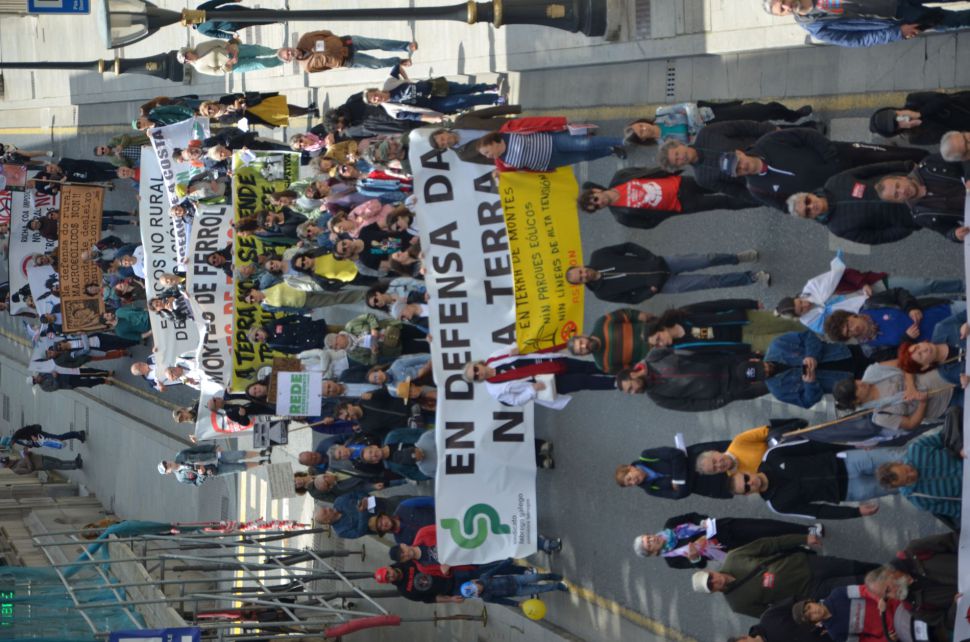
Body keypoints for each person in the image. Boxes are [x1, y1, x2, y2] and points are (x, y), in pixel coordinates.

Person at [720, 128, 927, 210]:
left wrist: (831, 156)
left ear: (740, 153)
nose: (742, 167)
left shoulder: (768, 142)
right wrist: (820, 199)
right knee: (887, 185)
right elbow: (787, 207)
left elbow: (806, 135)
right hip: (843, 186)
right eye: (738, 171)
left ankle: (928, 161)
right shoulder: (757, 189)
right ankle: (925, 192)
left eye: (739, 162)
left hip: (844, 155)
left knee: (889, 156)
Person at [691, 533, 879, 618]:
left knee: (855, 566)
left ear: (710, 571)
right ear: (713, 592)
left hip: (809, 564)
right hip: (810, 591)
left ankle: (889, 570)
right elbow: (773, 614)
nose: (715, 581)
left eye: (710, 577)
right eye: (711, 586)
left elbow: (770, 544)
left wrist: (803, 538)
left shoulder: (734, 558)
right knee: (858, 583)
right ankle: (887, 583)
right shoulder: (737, 604)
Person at [775, 250, 964, 334]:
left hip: (876, 287)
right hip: (874, 308)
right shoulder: (813, 322)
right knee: (924, 305)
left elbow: (842, 273)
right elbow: (839, 330)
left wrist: (863, 283)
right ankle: (959, 301)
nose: (805, 304)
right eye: (802, 309)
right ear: (799, 317)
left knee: (924, 285)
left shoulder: (811, 287)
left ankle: (962, 286)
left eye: (800, 302)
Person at [732, 439, 905, 519]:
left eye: (746, 478)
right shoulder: (777, 505)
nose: (750, 483)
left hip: (847, 461)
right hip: (850, 490)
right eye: (746, 487)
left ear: (746, 471)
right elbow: (818, 512)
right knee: (902, 484)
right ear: (747, 494)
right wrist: (855, 513)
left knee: (899, 457)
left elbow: (813, 445)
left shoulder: (772, 456)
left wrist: (853, 444)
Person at [567, 243, 766, 304]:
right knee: (710, 281)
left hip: (664, 262)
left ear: (580, 266)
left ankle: (736, 258)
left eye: (581, 271)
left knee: (707, 258)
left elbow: (627, 247)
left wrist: (650, 257)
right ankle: (752, 277)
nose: (585, 275)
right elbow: (631, 299)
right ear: (581, 284)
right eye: (581, 278)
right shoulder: (602, 293)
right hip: (664, 285)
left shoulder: (598, 255)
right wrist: (651, 291)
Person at [787, 162, 923, 244]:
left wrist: (904, 166)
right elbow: (877, 237)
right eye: (807, 211)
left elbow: (873, 169)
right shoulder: (838, 228)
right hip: (917, 213)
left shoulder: (835, 182)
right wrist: (909, 225)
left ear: (810, 194)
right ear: (809, 217)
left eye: (807, 201)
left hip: (909, 186)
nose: (811, 206)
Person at [578, 167, 751, 230]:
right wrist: (666, 213)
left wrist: (669, 171)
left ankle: (751, 181)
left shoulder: (620, 176)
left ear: (596, 191)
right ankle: (756, 200)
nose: (600, 203)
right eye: (597, 207)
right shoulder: (622, 216)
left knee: (718, 183)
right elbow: (648, 224)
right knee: (722, 202)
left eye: (595, 200)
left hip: (681, 183)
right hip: (681, 205)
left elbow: (645, 171)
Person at [633, 512, 819, 569]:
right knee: (769, 550)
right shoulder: (672, 560)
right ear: (653, 553)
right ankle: (804, 552)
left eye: (648, 537)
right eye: (649, 544)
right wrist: (695, 558)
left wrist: (702, 521)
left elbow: (694, 516)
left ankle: (805, 531)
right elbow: (701, 565)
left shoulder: (670, 524)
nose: (651, 539)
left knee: (766, 528)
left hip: (724, 528)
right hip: (727, 549)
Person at [657, 120, 778, 204]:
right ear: (678, 166)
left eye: (677, 153)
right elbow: (737, 192)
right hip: (767, 180)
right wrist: (766, 200)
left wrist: (771, 130)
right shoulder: (702, 179)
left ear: (679, 144)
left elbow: (742, 126)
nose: (681, 157)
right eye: (677, 161)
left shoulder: (706, 133)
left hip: (771, 148)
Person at [866, 533, 959, 641]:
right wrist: (957, 605)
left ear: (889, 572)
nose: (892, 595)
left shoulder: (915, 551)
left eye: (888, 590)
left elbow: (954, 540)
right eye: (887, 596)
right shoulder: (915, 608)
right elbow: (946, 623)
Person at [823, 288, 962, 359]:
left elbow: (898, 293)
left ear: (850, 315)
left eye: (849, 324)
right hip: (945, 340)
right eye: (848, 332)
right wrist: (907, 339)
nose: (853, 329)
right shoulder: (870, 350)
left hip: (946, 310)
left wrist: (911, 307)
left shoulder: (871, 304)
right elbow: (900, 357)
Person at [764, 0, 970, 47]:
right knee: (952, 21)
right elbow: (858, 39)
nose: (786, 6)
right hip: (898, 16)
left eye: (782, 1)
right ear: (782, 15)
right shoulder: (817, 27)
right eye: (781, 9)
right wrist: (897, 33)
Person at [616, 348, 770, 411]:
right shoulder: (657, 397)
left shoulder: (654, 356)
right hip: (730, 390)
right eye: (630, 392)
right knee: (772, 385)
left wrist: (739, 353)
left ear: (633, 374)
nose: (634, 392)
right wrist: (722, 400)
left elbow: (695, 349)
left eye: (630, 388)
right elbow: (691, 406)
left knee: (771, 363)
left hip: (730, 363)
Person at [462, 347, 615, 410]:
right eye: (475, 377)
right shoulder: (494, 389)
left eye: (475, 369)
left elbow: (515, 347)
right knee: (583, 381)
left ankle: (618, 368)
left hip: (549, 363)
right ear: (477, 381)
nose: (478, 373)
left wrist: (516, 349)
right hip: (546, 384)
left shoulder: (494, 357)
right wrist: (531, 390)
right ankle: (616, 383)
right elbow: (515, 401)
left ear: (478, 363)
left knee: (587, 366)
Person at [644, 298, 802, 355]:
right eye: (657, 345)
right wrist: (749, 357)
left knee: (790, 321)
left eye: (658, 339)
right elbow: (717, 357)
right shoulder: (683, 349)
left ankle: (816, 325)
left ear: (662, 327)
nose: (661, 344)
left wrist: (749, 303)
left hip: (745, 320)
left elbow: (716, 305)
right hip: (745, 343)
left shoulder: (685, 314)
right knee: (788, 341)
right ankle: (814, 340)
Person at [624, 100, 812, 145]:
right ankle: (803, 129)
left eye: (640, 125)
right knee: (760, 131)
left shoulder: (661, 113)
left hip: (714, 115)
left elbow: (688, 106)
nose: (644, 128)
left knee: (760, 110)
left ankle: (792, 115)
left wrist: (693, 127)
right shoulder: (665, 145)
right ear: (643, 139)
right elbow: (691, 143)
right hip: (715, 133)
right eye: (640, 133)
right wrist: (693, 123)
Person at [764, 331, 873, 408]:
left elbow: (808, 336)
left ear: (756, 360)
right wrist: (810, 384)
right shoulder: (778, 391)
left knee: (880, 355)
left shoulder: (778, 345)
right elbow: (808, 402)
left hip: (846, 354)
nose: (766, 370)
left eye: (762, 367)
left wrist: (811, 355)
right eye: (763, 374)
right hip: (849, 383)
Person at [873, 155, 970, 242]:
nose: (902, 191)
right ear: (899, 201)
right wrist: (955, 235)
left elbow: (963, 156)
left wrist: (968, 178)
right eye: (896, 195)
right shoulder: (921, 216)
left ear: (902, 178)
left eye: (898, 185)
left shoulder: (929, 164)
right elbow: (946, 231)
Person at [876, 431, 964, 527]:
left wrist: (959, 447)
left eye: (907, 470)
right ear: (901, 486)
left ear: (898, 463)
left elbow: (945, 436)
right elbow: (957, 510)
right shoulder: (920, 500)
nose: (912, 474)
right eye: (908, 480)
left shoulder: (916, 449)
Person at [475, 116, 626, 171]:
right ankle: (610, 150)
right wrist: (499, 177)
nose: (488, 156)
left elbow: (532, 122)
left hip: (554, 142)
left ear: (492, 142)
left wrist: (557, 123)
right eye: (485, 155)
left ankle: (622, 141)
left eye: (487, 152)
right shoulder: (502, 163)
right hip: (552, 161)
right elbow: (510, 179)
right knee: (585, 156)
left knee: (585, 144)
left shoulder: (508, 130)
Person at [366, 62, 501, 123]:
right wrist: (433, 119)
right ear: (376, 104)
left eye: (374, 95)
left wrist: (406, 78)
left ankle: (486, 87)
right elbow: (414, 117)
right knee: (464, 100)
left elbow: (397, 66)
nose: (377, 98)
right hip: (434, 104)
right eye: (374, 100)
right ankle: (494, 99)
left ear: (376, 90)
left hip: (434, 87)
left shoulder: (389, 83)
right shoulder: (392, 111)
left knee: (465, 88)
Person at [614, 437, 733, 500]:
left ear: (630, 468)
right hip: (709, 485)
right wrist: (685, 466)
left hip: (708, 458)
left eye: (629, 478)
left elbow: (676, 454)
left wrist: (678, 481)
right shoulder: (650, 489)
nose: (633, 482)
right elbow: (679, 495)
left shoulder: (647, 455)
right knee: (740, 482)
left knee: (736, 455)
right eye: (630, 484)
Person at [694, 419, 806, 477]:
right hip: (792, 472)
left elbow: (768, 432)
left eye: (714, 461)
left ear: (715, 452)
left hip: (793, 449)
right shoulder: (738, 480)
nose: (719, 465)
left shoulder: (739, 442)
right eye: (715, 469)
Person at [791, 589, 901, 642]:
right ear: (814, 622)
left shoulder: (837, 593)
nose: (814, 612)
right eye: (810, 616)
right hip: (893, 631)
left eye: (809, 607)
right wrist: (885, 639)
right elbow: (862, 641)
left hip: (894, 604)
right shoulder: (835, 634)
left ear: (811, 601)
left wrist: (879, 599)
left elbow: (865, 590)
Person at [565, 307, 653, 374]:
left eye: (581, 342)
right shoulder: (603, 365)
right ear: (583, 355)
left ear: (583, 336)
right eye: (581, 350)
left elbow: (626, 314)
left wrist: (640, 315)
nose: (584, 346)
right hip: (653, 355)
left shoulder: (601, 323)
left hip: (653, 331)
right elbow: (630, 370)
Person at [279, 31, 417, 73]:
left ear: (289, 47)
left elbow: (325, 33)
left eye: (288, 50)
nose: (290, 53)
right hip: (348, 61)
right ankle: (399, 62)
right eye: (288, 55)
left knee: (378, 43)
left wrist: (335, 41)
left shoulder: (305, 38)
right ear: (289, 60)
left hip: (348, 42)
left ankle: (406, 46)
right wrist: (337, 61)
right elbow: (326, 67)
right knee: (377, 64)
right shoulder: (307, 67)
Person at [869, 91, 970, 145]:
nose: (900, 119)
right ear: (897, 130)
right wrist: (921, 121)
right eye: (896, 124)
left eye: (896, 115)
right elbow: (946, 135)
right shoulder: (916, 138)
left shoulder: (913, 100)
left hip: (965, 104)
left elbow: (943, 98)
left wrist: (920, 113)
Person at [728, 597, 829, 642]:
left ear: (744, 637)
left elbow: (796, 601)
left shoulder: (768, 618)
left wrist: (817, 609)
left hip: (828, 618)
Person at [160, 444, 270, 479]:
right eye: (166, 467)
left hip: (216, 456)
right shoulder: (181, 477)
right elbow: (196, 482)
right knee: (240, 467)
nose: (168, 464)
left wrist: (213, 447)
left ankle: (261, 453)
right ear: (168, 472)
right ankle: (260, 463)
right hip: (215, 470)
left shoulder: (180, 455)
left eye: (166, 463)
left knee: (240, 454)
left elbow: (197, 449)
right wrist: (201, 475)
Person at [460, 570, 567, 605]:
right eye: (476, 593)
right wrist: (516, 604)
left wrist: (507, 562)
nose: (478, 591)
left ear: (474, 582)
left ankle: (549, 576)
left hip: (515, 579)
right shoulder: (486, 597)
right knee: (538, 589)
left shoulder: (484, 577)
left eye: (476, 588)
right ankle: (557, 586)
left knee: (535, 577)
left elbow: (496, 569)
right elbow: (501, 601)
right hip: (517, 591)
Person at [178, 40, 282, 75]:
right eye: (185, 61)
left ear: (188, 51)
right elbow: (217, 72)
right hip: (234, 66)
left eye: (186, 55)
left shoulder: (200, 46)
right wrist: (230, 63)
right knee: (260, 64)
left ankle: (280, 51)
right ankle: (282, 60)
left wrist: (229, 47)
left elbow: (216, 42)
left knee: (259, 50)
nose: (187, 59)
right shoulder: (199, 68)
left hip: (234, 50)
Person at [191, 0, 280, 40]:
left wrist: (232, 0)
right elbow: (218, 34)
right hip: (234, 24)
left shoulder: (199, 9)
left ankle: (279, 13)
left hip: (233, 10)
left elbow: (216, 2)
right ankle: (277, 20)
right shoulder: (201, 29)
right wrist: (231, 36)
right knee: (255, 21)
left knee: (254, 12)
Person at [10, 424, 86, 447]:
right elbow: (29, 445)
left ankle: (78, 434)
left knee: (59, 438)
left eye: (11, 443)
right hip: (41, 441)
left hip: (40, 435)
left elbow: (28, 428)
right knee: (59, 440)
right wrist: (34, 444)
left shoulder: (17, 434)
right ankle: (78, 435)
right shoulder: (18, 441)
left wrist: (32, 436)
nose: (12, 444)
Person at [1, 452, 82, 474]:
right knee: (59, 465)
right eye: (8, 461)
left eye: (9, 459)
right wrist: (27, 457)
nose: (10, 460)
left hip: (40, 457)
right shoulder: (16, 470)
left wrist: (28, 454)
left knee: (59, 461)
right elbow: (30, 469)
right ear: (7, 466)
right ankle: (75, 465)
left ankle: (74, 462)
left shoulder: (16, 461)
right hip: (42, 464)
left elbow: (27, 458)